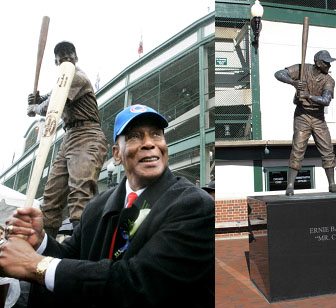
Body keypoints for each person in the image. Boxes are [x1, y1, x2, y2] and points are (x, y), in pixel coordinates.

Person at [0, 104, 214, 307]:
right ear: (117, 154)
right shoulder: (97, 206)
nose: (149, 143)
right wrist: (41, 242)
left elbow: (136, 283)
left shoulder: (194, 206)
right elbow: (72, 256)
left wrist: (36, 265)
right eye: (134, 136)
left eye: (156, 134)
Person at [27, 41, 108, 237]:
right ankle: (46, 252)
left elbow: (54, 103)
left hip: (87, 135)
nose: (66, 61)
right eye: (62, 59)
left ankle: (83, 252)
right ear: (57, 63)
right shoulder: (62, 80)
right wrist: (36, 99)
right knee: (50, 199)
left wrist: (35, 108)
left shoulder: (77, 76)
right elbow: (49, 95)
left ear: (76, 58)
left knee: (80, 193)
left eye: (69, 57)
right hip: (69, 137)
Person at [275, 50, 336, 196]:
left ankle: (332, 184)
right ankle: (290, 185)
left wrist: (308, 95)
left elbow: (326, 100)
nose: (329, 65)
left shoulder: (329, 80)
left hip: (318, 117)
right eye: (326, 62)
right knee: (298, 149)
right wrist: (293, 82)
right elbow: (278, 74)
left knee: (327, 150)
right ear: (318, 63)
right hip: (302, 115)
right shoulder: (302, 68)